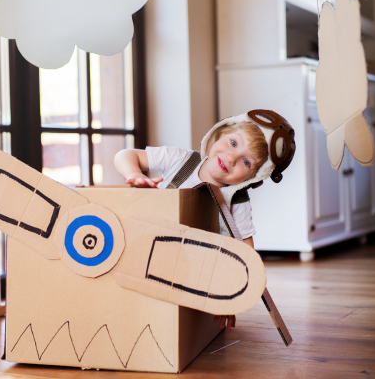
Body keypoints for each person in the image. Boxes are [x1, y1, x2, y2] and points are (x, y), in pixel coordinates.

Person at [114, 109, 296, 332]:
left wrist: (231, 296)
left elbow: (245, 254)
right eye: (233, 143)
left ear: (253, 177)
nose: (231, 157)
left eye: (246, 162)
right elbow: (125, 154)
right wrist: (134, 173)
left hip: (195, 267)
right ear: (217, 134)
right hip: (147, 248)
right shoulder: (180, 159)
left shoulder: (236, 200)